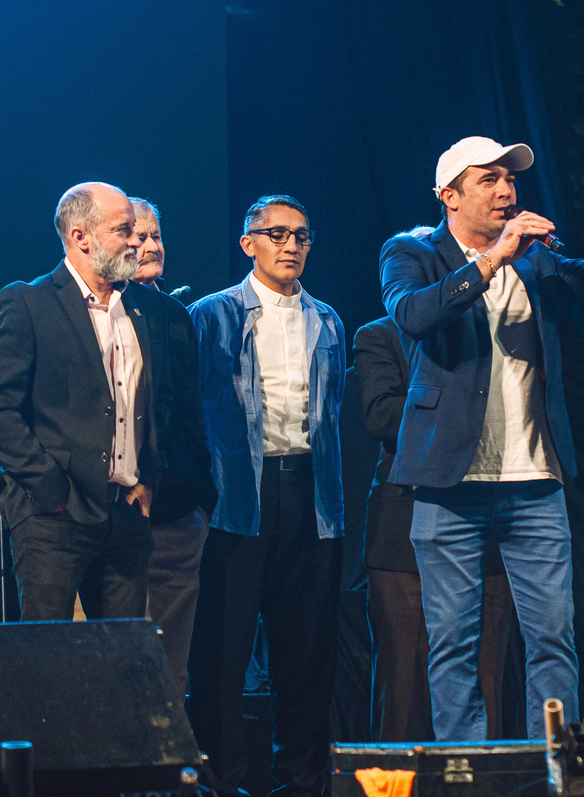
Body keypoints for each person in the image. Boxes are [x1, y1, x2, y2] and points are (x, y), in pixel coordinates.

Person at [379, 125, 584, 741]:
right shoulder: (412, 252)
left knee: (553, 638)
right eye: (489, 180)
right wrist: (492, 258)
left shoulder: (536, 257)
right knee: (453, 642)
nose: (506, 190)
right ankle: (469, 773)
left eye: (510, 179)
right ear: (449, 196)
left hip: (534, 482)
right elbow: (414, 315)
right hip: (448, 483)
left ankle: (549, 767)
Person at [187, 195, 345, 797]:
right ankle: (220, 783)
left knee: (305, 655)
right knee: (222, 655)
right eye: (276, 233)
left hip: (309, 494)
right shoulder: (212, 314)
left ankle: (301, 783)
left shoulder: (327, 320)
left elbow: (331, 414)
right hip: (236, 496)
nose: (291, 245)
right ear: (248, 243)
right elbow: (191, 407)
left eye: (301, 235)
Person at [0, 181, 177, 622]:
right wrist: (50, 487)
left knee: (121, 653)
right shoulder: (30, 302)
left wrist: (149, 476)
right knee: (48, 653)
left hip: (126, 512)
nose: (136, 241)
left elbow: (160, 399)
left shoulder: (146, 307)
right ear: (81, 236)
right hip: (54, 515)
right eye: (123, 230)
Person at [353, 309, 513, 742]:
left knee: (485, 681)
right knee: (403, 684)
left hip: (489, 524)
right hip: (402, 531)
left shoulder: (495, 330)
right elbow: (382, 417)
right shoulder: (379, 334)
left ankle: (481, 779)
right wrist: (465, 407)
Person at [127, 197, 217, 702]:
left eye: (156, 235)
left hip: (176, 517)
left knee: (168, 671)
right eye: (138, 237)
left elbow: (191, 410)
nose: (151, 246)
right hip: (110, 515)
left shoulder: (177, 315)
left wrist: (202, 498)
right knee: (111, 667)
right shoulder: (89, 312)